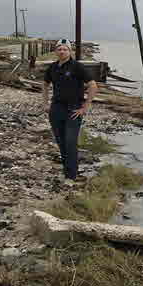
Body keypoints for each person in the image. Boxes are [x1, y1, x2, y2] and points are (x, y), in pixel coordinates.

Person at [43, 39, 98, 181]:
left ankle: (71, 176)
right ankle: (66, 170)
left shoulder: (77, 67)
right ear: (56, 51)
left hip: (74, 109)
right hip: (56, 108)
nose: (62, 51)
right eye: (59, 49)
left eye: (65, 49)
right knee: (61, 141)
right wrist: (45, 103)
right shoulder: (53, 67)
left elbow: (93, 85)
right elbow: (45, 84)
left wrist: (86, 106)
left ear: (70, 51)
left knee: (70, 141)